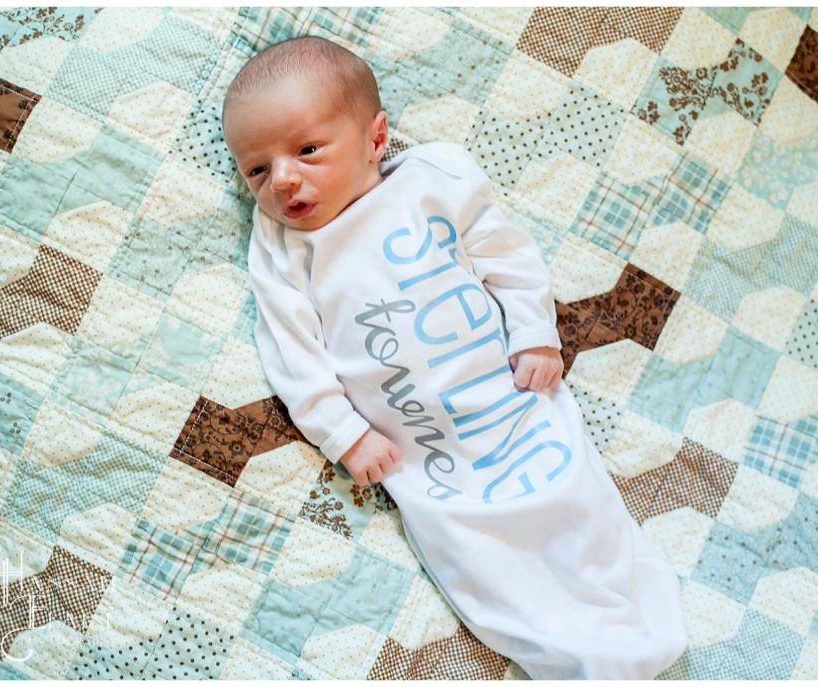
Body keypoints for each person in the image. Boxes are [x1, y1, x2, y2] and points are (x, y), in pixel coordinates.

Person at [222, 35, 687, 680]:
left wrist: (534, 335)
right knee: (477, 558)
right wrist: (345, 433)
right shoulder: (285, 249)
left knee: (574, 495)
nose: (284, 179)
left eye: (306, 150)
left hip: (509, 404)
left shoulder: (431, 181)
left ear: (374, 137)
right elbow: (291, 352)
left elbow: (508, 257)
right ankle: (572, 660)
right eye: (257, 170)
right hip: (426, 453)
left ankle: (636, 622)